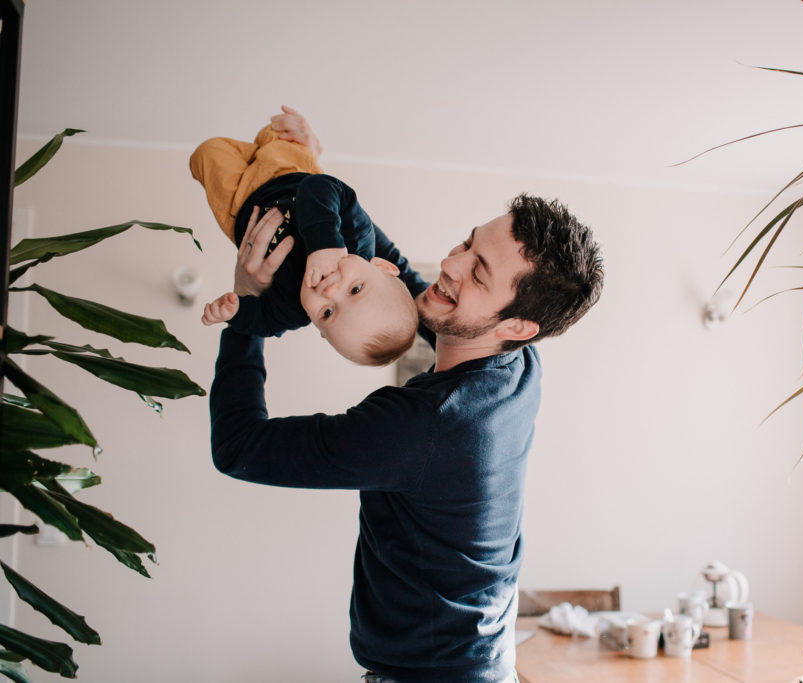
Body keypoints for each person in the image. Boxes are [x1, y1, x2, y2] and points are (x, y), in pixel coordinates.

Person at [208, 107, 604, 683]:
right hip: (487, 664)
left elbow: (240, 447)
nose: (449, 264)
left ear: (517, 326)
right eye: (468, 244)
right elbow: (386, 271)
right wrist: (314, 188)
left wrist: (246, 311)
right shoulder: (517, 366)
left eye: (478, 272)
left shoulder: (419, 427)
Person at [190, 112, 418, 366]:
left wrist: (234, 311)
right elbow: (323, 186)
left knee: (206, 153)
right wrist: (325, 244)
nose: (330, 290)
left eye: (328, 313)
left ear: (320, 330)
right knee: (275, 132)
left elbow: (263, 322)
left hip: (239, 203)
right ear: (382, 266)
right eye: (355, 289)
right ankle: (268, 145)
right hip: (292, 170)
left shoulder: (293, 309)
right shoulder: (357, 237)